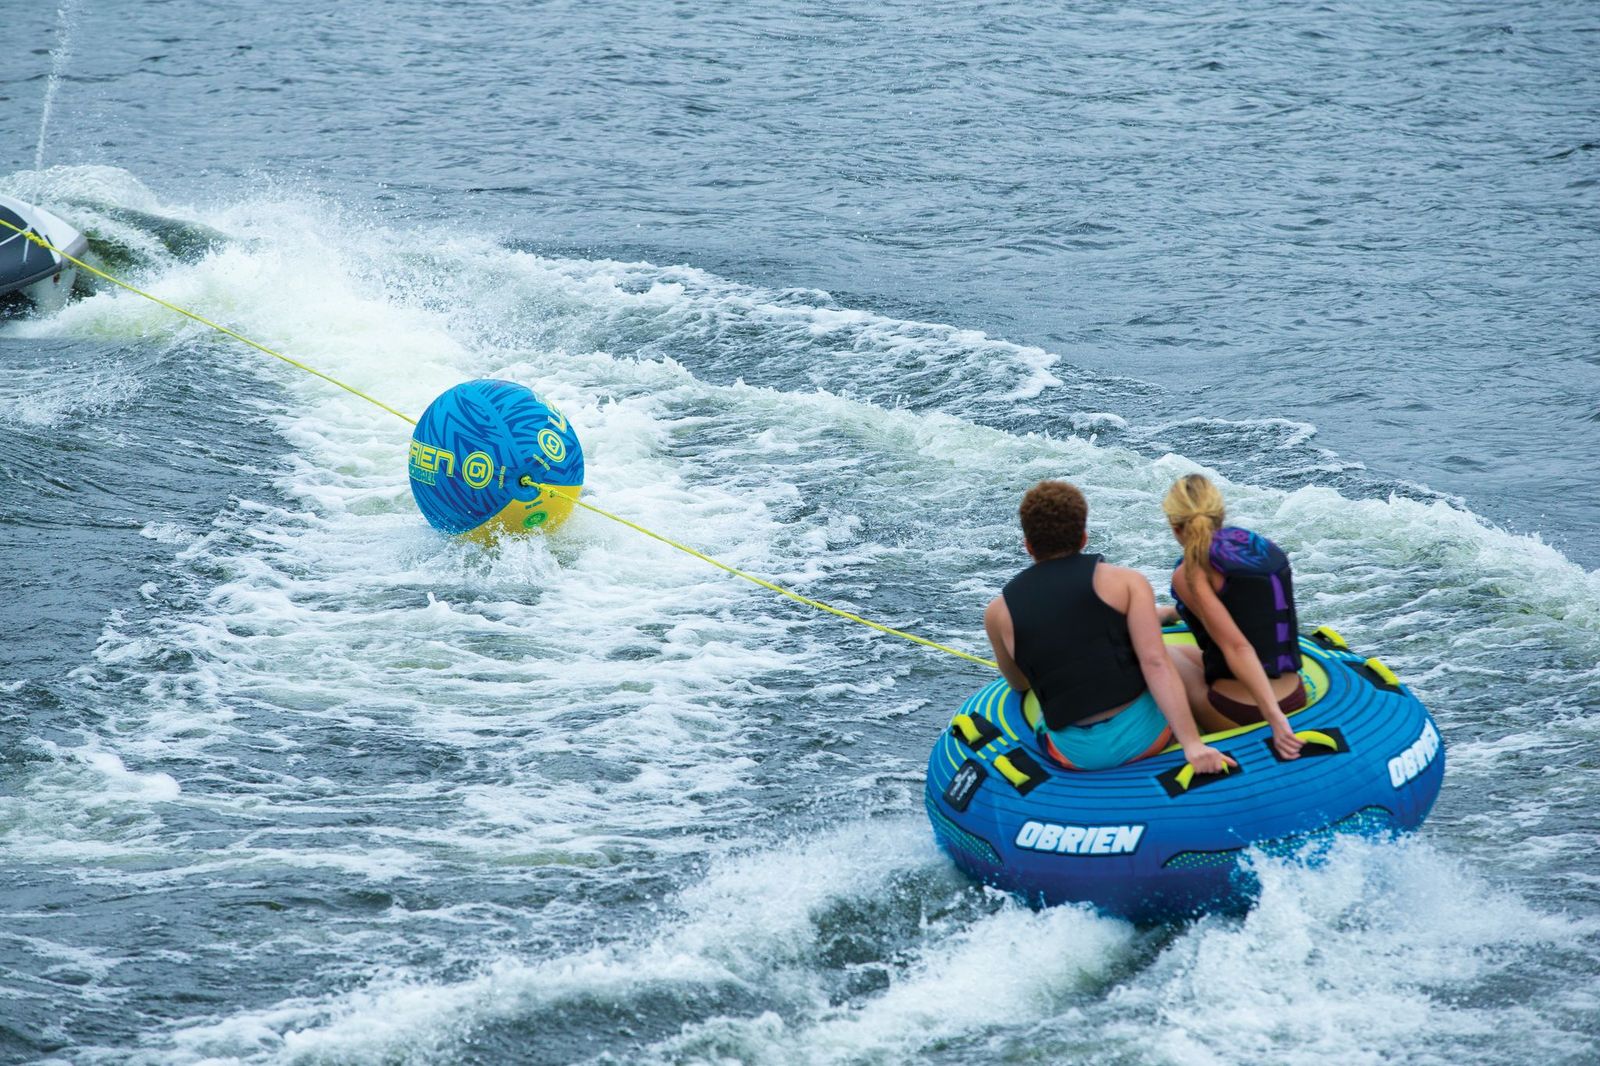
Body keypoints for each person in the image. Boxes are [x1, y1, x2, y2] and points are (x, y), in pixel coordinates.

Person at [983, 480, 1229, 774]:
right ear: (1083, 538)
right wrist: (1192, 745)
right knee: (1174, 655)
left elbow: (1019, 684)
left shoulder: (997, 613)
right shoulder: (1127, 582)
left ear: (1028, 546)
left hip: (1074, 754)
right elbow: (1155, 663)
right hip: (1147, 738)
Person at [1161, 473, 1305, 761]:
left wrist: (1275, 719)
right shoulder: (1260, 546)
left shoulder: (1190, 571)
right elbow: (1244, 611)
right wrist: (1169, 613)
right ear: (1221, 514)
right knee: (1186, 653)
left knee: (1159, 654)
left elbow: (1238, 647)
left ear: (1175, 527)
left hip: (1242, 711)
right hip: (1295, 693)